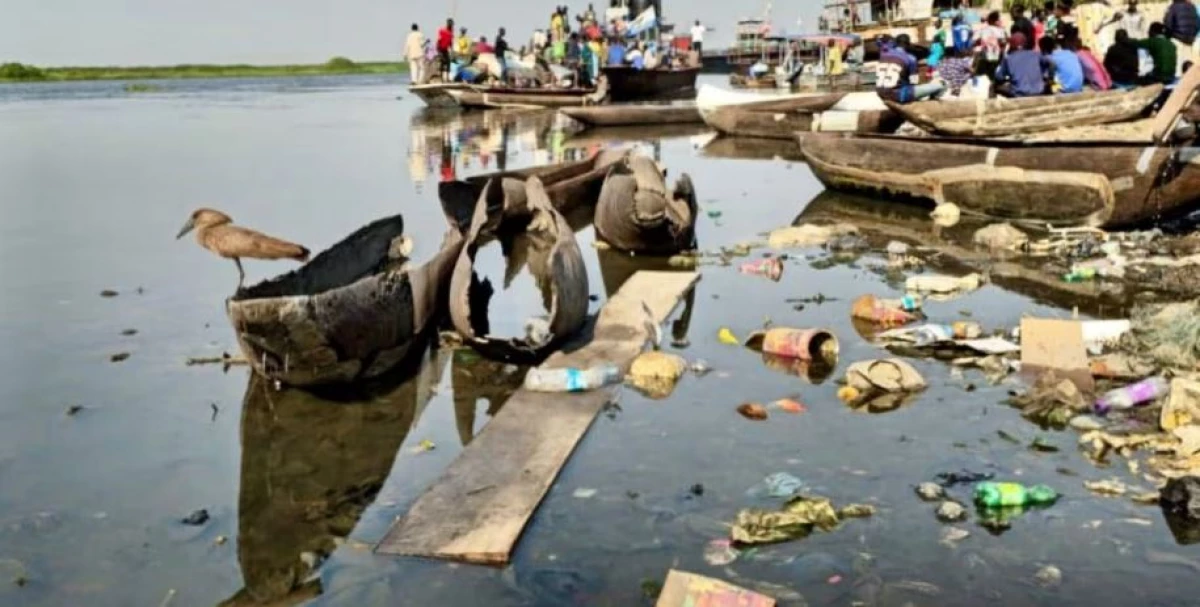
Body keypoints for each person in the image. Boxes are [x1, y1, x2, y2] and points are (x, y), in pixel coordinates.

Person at [875, 34, 944, 103]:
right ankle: (929, 105)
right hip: (898, 96)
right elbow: (913, 81)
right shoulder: (911, 58)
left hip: (880, 93)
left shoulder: (883, 54)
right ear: (908, 45)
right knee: (941, 86)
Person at [995, 32, 1047, 96]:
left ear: (1011, 44)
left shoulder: (1008, 58)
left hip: (1020, 93)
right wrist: (1046, 75)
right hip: (1039, 91)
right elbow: (1051, 64)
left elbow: (999, 77)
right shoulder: (1036, 54)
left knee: (994, 87)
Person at [1165, 0, 1198, 76]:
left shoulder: (1173, 7)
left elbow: (1168, 24)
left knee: (1178, 68)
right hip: (1190, 40)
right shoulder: (1192, 7)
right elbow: (1197, 23)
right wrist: (1192, 36)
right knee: (1188, 66)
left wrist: (1168, 36)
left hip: (1177, 38)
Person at [979, 11, 1009, 78]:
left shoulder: (984, 29)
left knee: (987, 75)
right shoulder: (999, 30)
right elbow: (1003, 42)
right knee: (994, 75)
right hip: (996, 57)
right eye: (999, 20)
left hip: (985, 56)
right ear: (994, 21)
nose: (1001, 21)